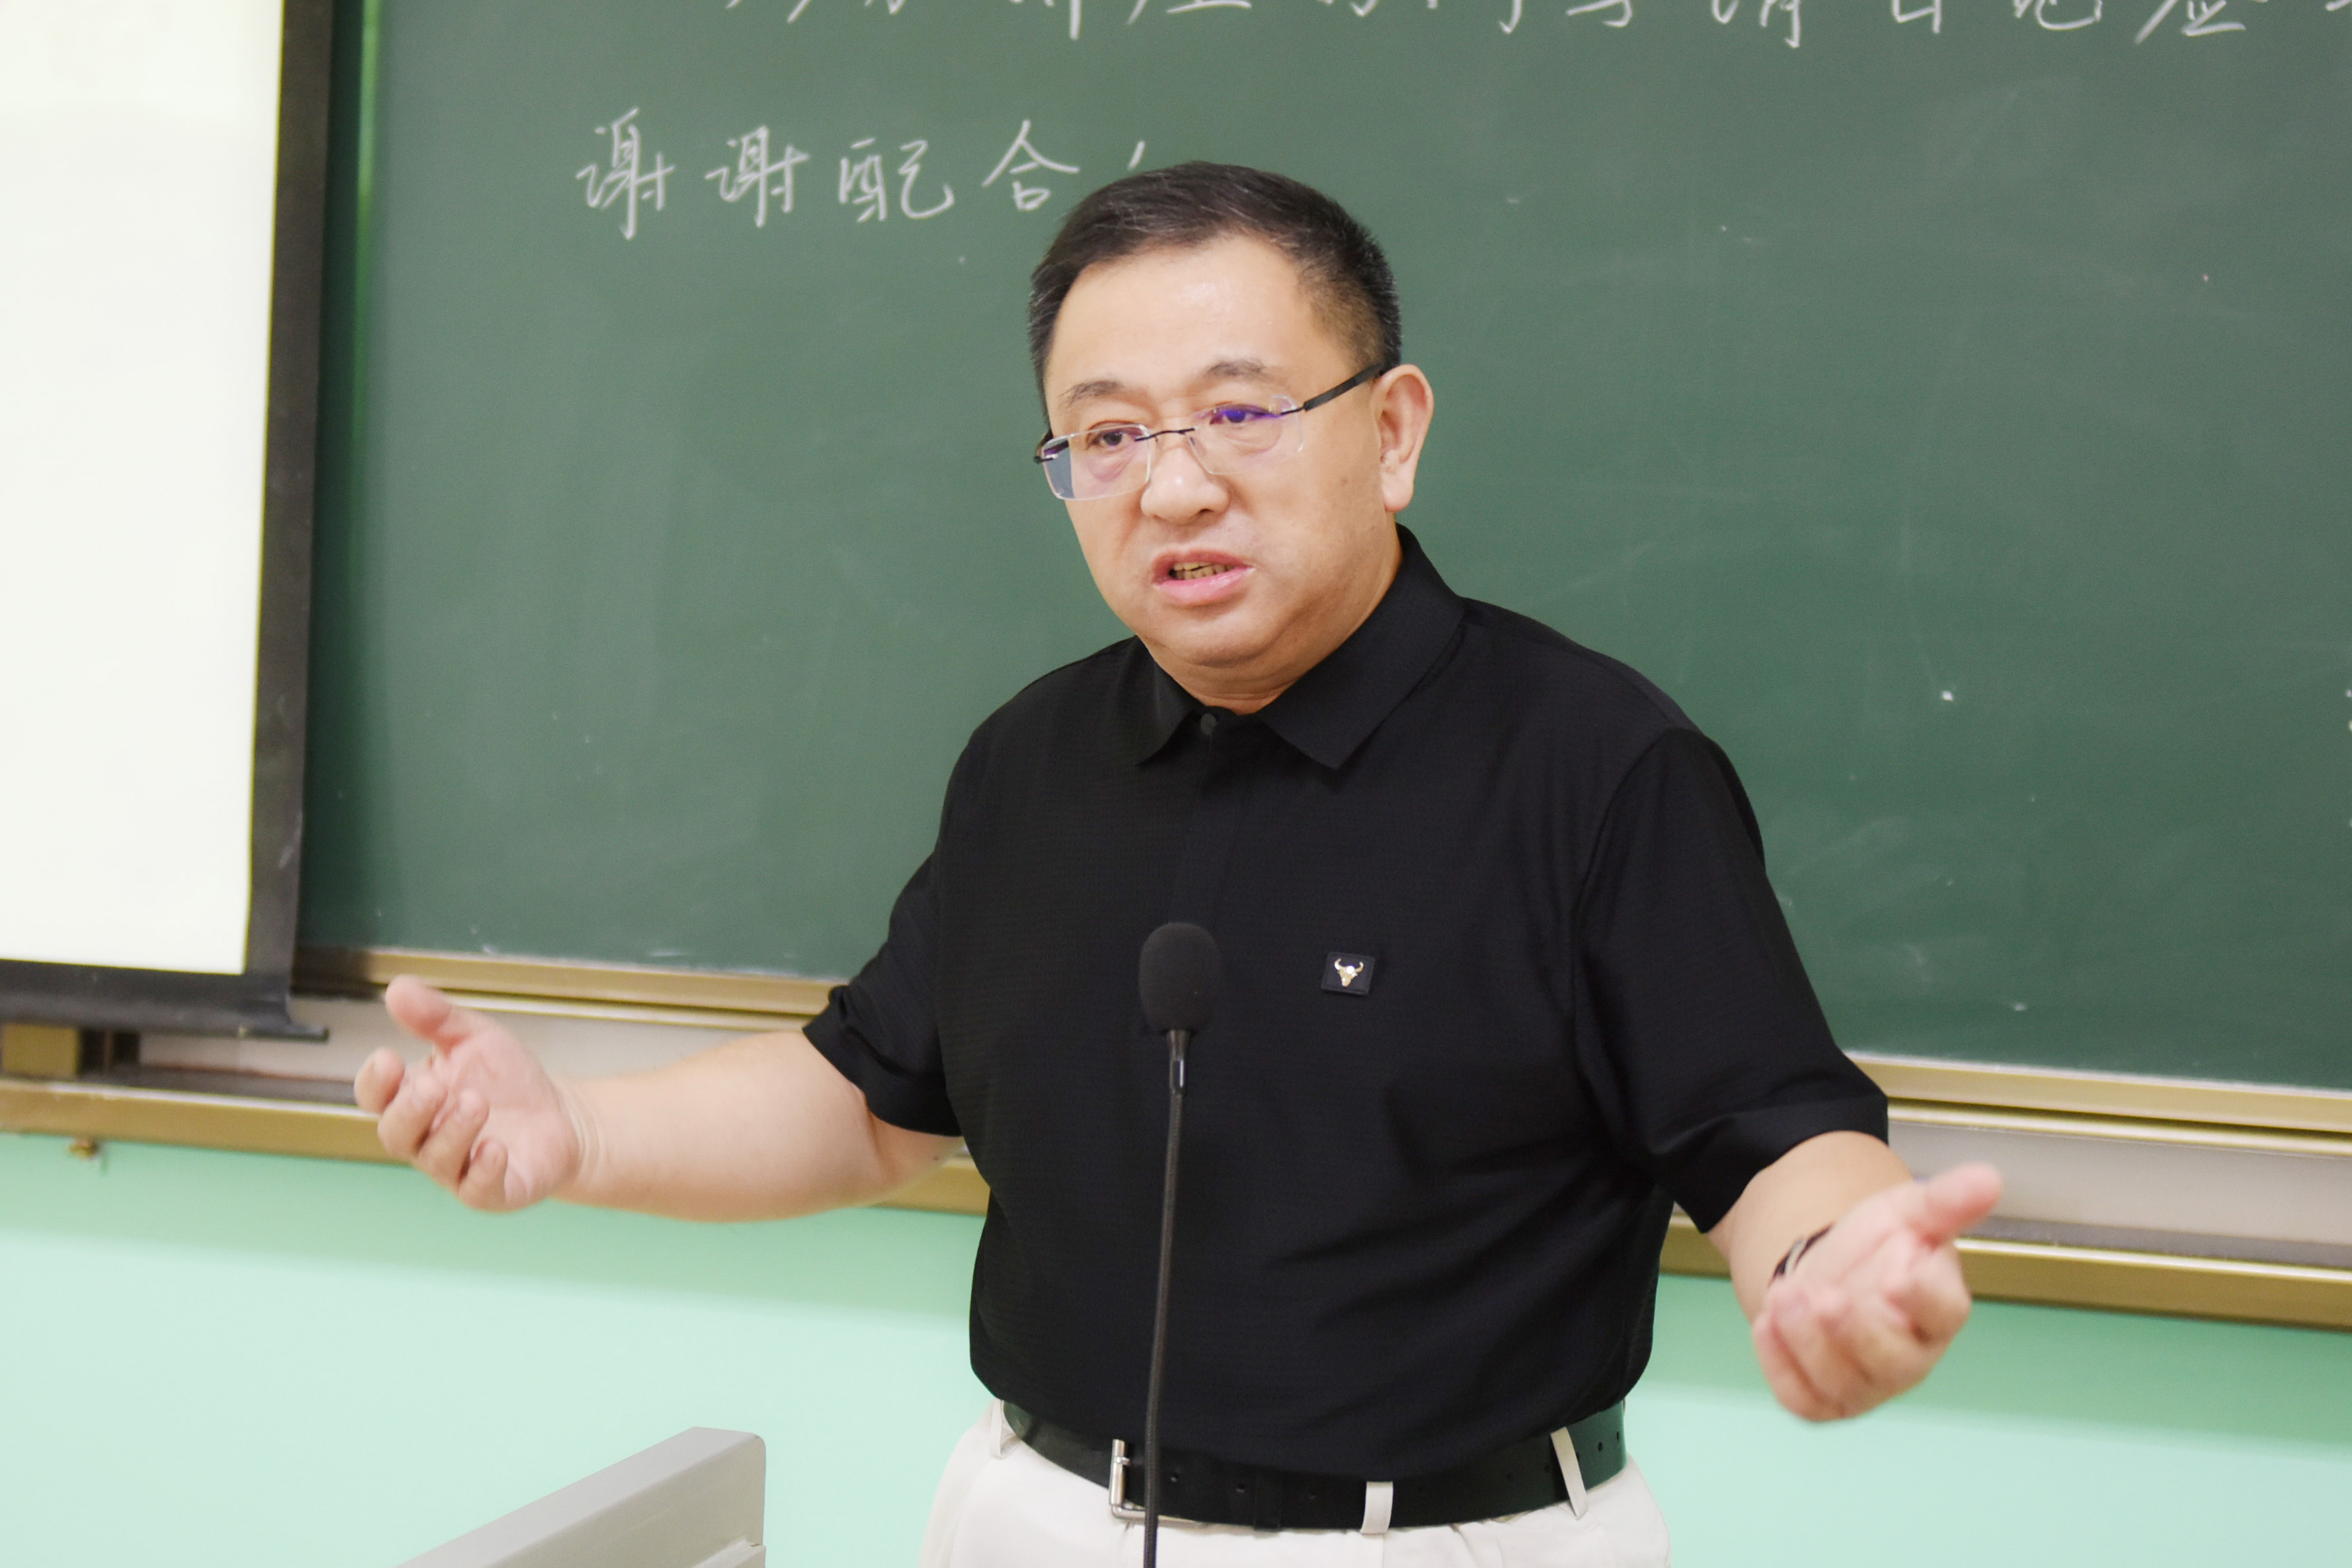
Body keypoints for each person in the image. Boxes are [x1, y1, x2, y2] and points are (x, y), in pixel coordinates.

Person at [357, 164, 2001, 1567]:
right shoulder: (1031, 759)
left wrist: (1838, 1273)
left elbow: (1778, 1145)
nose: (1177, 483)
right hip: (1038, 1512)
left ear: (1393, 431)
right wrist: (576, 1132)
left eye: (1240, 413)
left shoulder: (1593, 763)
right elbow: (869, 1098)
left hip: (1443, 1536)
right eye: (1108, 434)